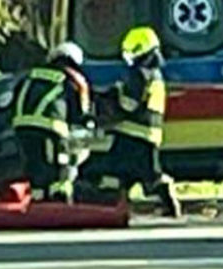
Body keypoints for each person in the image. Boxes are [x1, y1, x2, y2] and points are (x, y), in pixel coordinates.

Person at [99, 26, 181, 218]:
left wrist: (114, 95)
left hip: (131, 132)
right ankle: (167, 204)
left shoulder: (139, 74)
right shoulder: (156, 74)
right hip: (150, 134)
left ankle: (114, 208)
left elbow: (129, 104)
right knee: (147, 174)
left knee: (115, 171)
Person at [10, 41, 92, 202]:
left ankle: (37, 200)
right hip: (51, 126)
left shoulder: (32, 74)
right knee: (60, 163)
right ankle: (59, 197)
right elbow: (80, 113)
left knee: (35, 163)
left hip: (21, 125)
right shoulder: (73, 79)